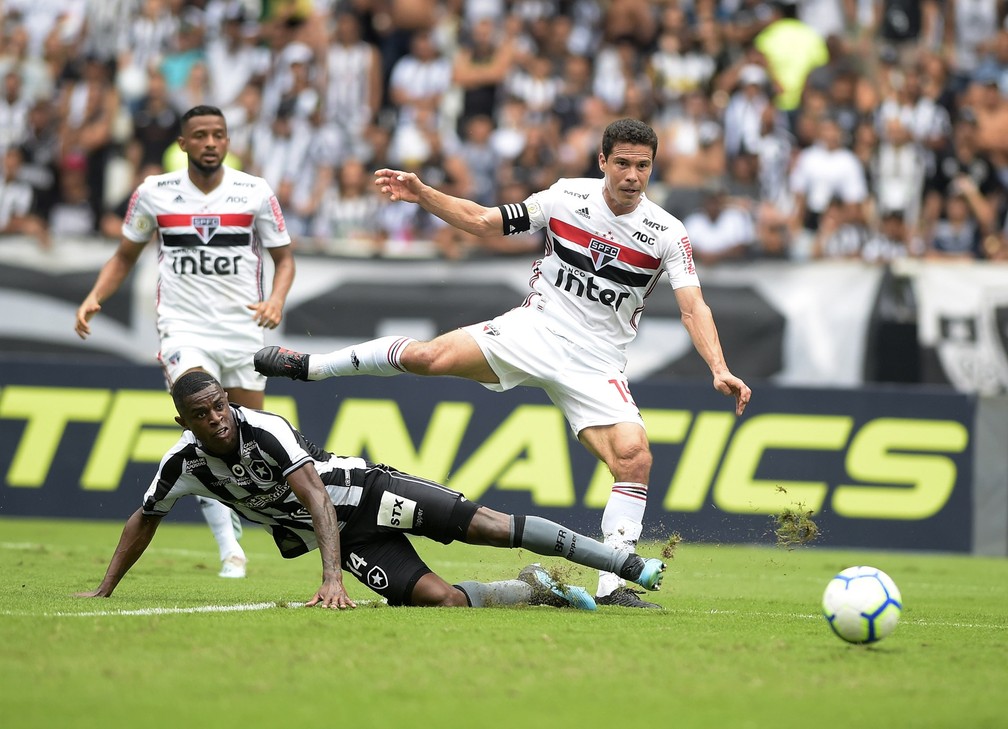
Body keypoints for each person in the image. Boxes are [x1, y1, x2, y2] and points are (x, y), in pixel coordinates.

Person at [255, 118, 751, 608]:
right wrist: (423, 193)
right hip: (534, 330)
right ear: (602, 161)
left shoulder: (667, 232)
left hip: (597, 361)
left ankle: (615, 584)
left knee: (634, 456)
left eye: (642, 166)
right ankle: (312, 367)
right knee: (429, 356)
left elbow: (693, 306)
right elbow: (482, 221)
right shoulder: (564, 198)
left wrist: (718, 367)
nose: (631, 176)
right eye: (621, 163)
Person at [75, 371, 666, 610]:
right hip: (350, 537)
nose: (218, 419)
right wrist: (105, 590)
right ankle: (536, 591)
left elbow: (316, 499)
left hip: (366, 493)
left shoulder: (267, 429)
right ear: (186, 423)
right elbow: (144, 518)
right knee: (440, 603)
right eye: (203, 415)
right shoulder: (183, 463)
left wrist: (331, 579)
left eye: (221, 406)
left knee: (491, 526)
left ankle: (621, 562)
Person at [74, 105, 296, 579]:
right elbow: (123, 255)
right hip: (183, 329)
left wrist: (276, 300)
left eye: (218, 134)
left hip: (241, 333)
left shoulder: (254, 191)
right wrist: (95, 296)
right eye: (200, 135)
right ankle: (228, 548)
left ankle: (270, 522)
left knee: (241, 435)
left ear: (228, 140)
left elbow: (285, 259)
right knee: (202, 428)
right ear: (183, 143)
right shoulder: (154, 193)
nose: (211, 142)